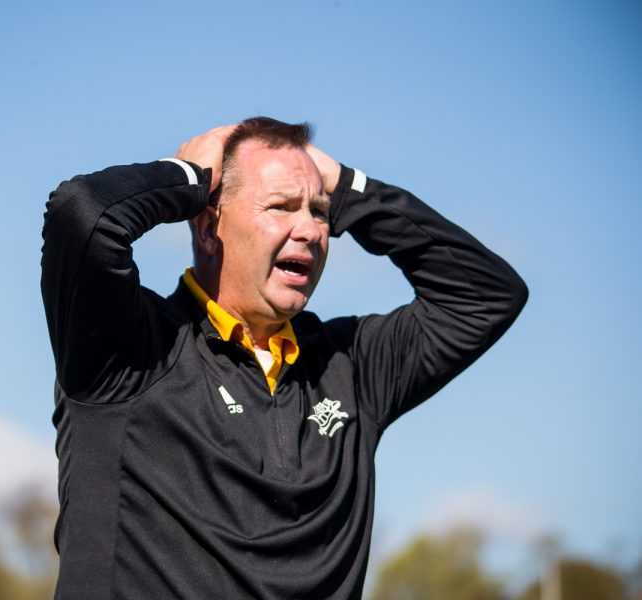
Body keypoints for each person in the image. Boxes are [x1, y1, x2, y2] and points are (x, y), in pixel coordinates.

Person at [40, 117, 527, 599]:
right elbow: (83, 214)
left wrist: (348, 188)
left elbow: (486, 294)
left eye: (320, 211)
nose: (311, 230)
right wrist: (188, 176)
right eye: (281, 206)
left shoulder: (351, 366)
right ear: (210, 229)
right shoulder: (128, 349)